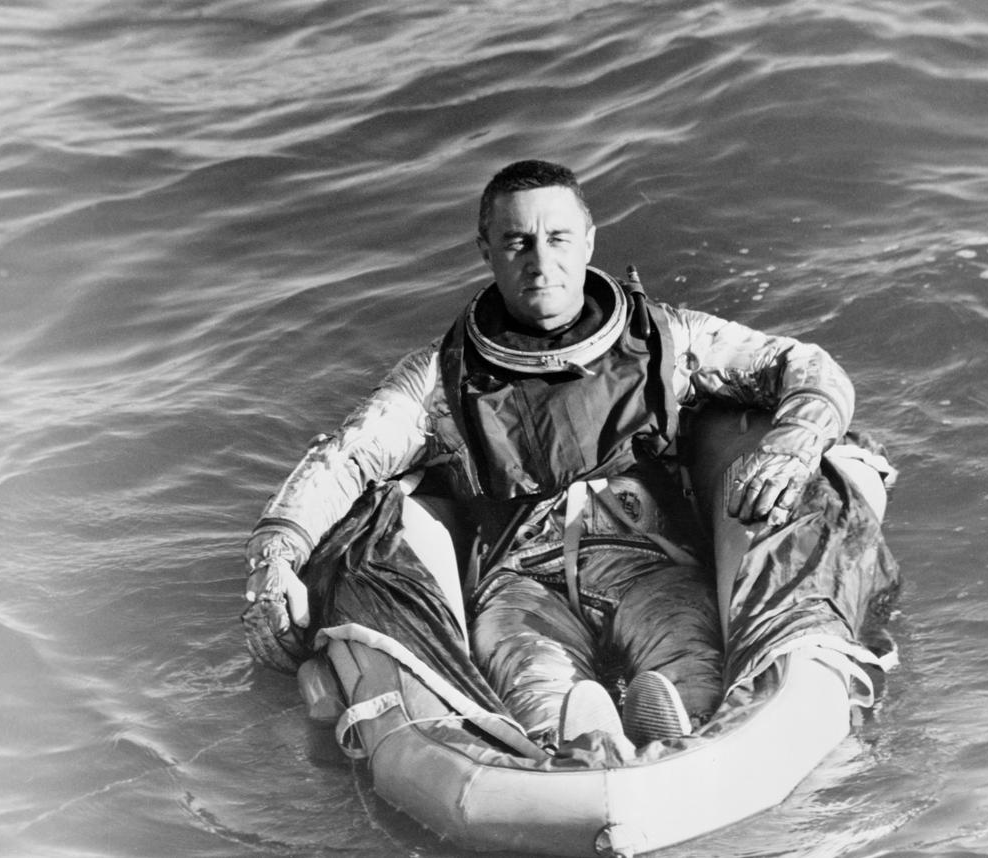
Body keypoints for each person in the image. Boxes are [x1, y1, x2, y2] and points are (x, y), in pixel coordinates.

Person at [241, 160, 855, 752]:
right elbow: (344, 460)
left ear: (589, 242)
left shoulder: (668, 340)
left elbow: (803, 366)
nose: (540, 262)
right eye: (517, 242)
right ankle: (582, 735)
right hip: (517, 588)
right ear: (486, 251)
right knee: (541, 700)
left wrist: (793, 444)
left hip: (652, 566)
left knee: (692, 669)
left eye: (557, 238)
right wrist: (276, 559)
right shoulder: (438, 381)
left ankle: (668, 725)